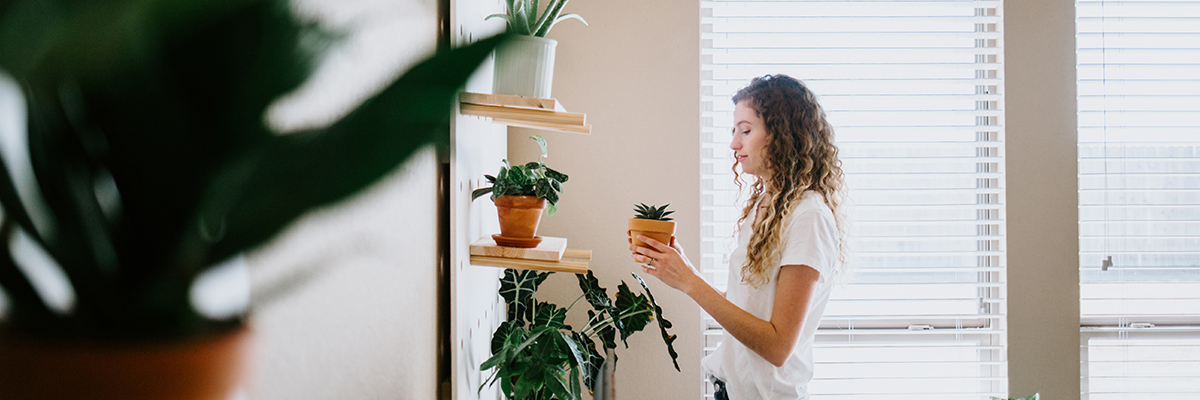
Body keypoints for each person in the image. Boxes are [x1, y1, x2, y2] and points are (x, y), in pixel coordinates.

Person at [630, 74, 847, 400]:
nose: (734, 143)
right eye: (734, 131)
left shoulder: (808, 217)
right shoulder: (768, 205)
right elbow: (747, 309)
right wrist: (681, 270)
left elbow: (777, 346)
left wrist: (690, 281)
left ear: (782, 135)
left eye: (745, 131)